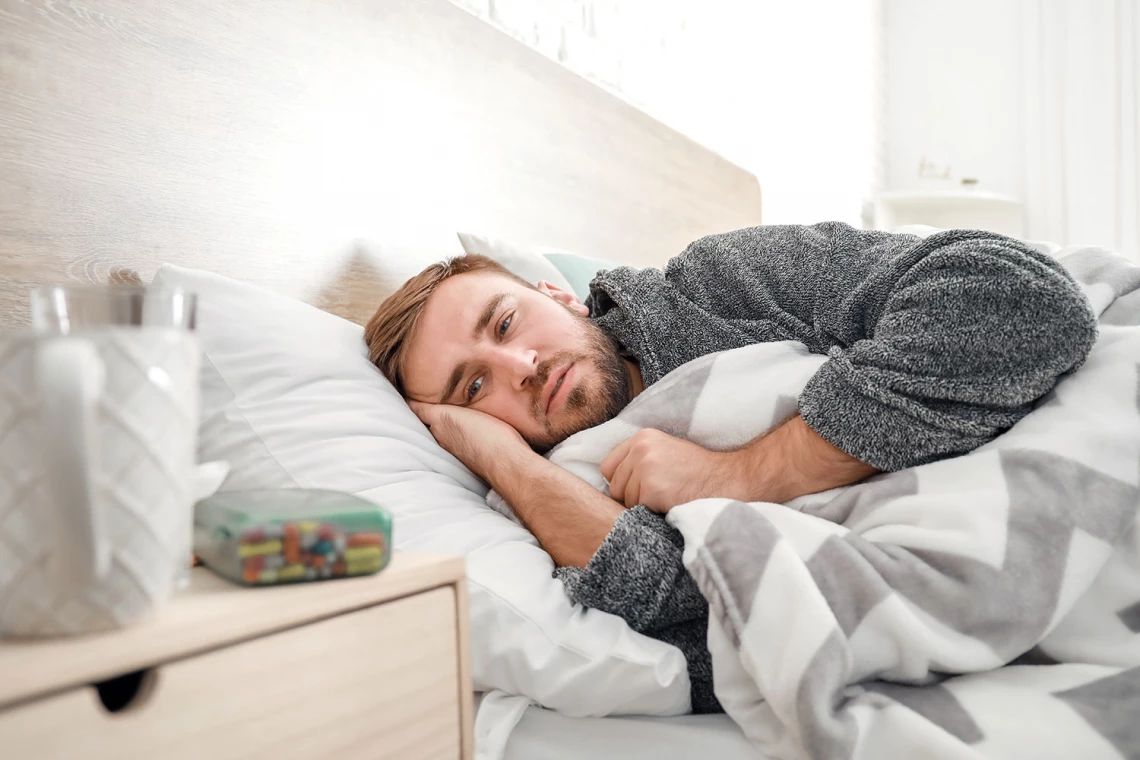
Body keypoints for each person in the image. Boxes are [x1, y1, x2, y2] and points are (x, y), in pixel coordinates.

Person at [364, 222, 1098, 713]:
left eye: (505, 323)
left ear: (557, 294)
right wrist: (498, 457)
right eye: (473, 387)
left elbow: (1020, 300)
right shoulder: (543, 497)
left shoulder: (715, 286)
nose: (517, 367)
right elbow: (699, 622)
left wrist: (743, 475)